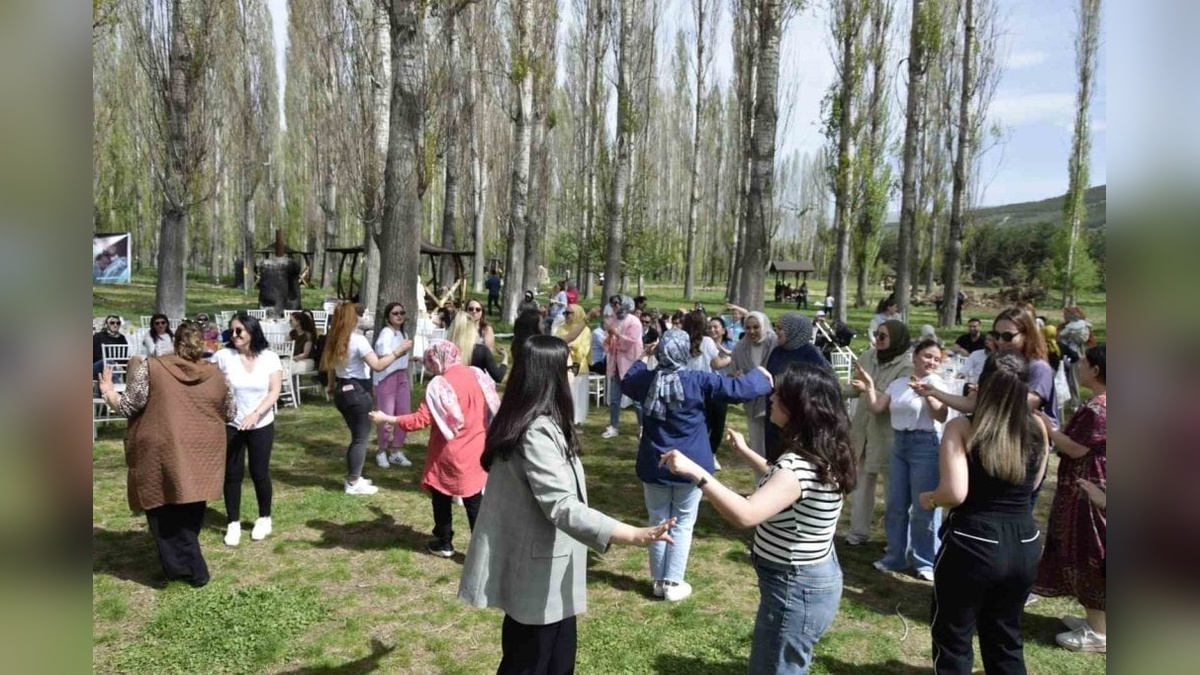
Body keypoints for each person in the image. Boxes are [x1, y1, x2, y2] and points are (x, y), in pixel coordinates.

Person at [458, 335, 675, 673]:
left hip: (549, 569)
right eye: (570, 367)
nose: (575, 373)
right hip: (537, 574)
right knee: (531, 662)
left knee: (555, 661)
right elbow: (562, 506)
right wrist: (633, 534)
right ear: (552, 375)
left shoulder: (539, 422)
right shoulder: (536, 431)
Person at [660, 361, 856, 674]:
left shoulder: (797, 467)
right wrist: (746, 452)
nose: (771, 399)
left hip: (795, 588)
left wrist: (696, 471)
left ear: (799, 408)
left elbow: (746, 514)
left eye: (778, 396)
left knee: (774, 668)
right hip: (808, 580)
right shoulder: (821, 452)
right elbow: (784, 487)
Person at [919, 351, 1049, 675]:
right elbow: (1034, 484)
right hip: (1024, 542)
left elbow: (955, 492)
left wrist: (930, 499)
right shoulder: (1037, 427)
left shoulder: (962, 427)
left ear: (982, 384)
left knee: (953, 639)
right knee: (1005, 638)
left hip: (972, 543)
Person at [621, 330, 774, 601]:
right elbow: (737, 390)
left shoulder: (646, 380)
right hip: (691, 466)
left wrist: (644, 356)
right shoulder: (698, 380)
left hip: (654, 463)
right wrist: (761, 375)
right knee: (682, 523)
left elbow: (628, 380)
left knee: (657, 520)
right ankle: (672, 582)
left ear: (660, 352)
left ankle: (658, 582)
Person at [97, 322, 236, 587]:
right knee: (191, 507)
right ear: (203, 344)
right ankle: (180, 568)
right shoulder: (219, 375)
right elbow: (229, 411)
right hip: (204, 449)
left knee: (163, 510)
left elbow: (128, 406)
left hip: (163, 449)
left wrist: (108, 392)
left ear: (175, 342)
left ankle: (193, 571)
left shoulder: (152, 367)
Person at [370, 341, 500, 557]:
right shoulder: (476, 374)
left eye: (431, 361)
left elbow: (419, 420)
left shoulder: (440, 385)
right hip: (477, 447)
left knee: (441, 494)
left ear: (438, 360)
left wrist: (386, 418)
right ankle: (484, 550)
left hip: (449, 451)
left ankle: (443, 541)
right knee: (474, 499)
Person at [852, 337, 949, 579]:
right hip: (899, 444)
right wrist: (870, 386)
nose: (931, 362)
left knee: (923, 506)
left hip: (925, 445)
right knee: (896, 505)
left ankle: (926, 561)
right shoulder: (899, 383)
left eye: (936, 359)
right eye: (927, 356)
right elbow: (877, 408)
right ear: (915, 356)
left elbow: (941, 416)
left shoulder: (937, 383)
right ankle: (895, 556)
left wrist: (928, 394)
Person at [1034, 344, 1107, 653]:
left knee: (1090, 552)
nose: (1079, 366)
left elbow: (1076, 448)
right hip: (1088, 486)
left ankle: (1100, 633)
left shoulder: (1099, 408)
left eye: (1084, 362)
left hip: (1089, 491)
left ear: (1097, 370)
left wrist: (1047, 429)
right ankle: (1097, 620)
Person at [321, 302, 412, 495]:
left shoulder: (335, 338)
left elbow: (329, 365)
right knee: (360, 439)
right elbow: (378, 365)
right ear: (351, 318)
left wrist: (330, 385)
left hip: (341, 390)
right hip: (356, 391)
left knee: (356, 438)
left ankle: (355, 475)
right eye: (358, 314)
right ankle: (353, 482)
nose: (362, 317)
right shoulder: (358, 340)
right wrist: (398, 352)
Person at [212, 313, 283, 546]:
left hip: (260, 422)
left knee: (259, 472)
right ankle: (233, 522)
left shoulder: (269, 358)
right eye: (231, 331)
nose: (234, 335)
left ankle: (264, 517)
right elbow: (206, 382)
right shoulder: (223, 357)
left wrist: (256, 414)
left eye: (239, 331)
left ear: (252, 331)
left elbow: (274, 391)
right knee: (232, 474)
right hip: (232, 423)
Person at [844, 320, 913, 546]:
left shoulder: (906, 366)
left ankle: (896, 541)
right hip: (863, 430)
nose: (878, 340)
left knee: (895, 493)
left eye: (883, 336)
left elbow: (897, 400)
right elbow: (855, 387)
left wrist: (870, 389)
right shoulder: (868, 356)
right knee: (861, 486)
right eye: (876, 334)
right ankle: (858, 533)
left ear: (896, 338)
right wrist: (828, 386)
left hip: (888, 436)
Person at [765, 313, 830, 459]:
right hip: (774, 414)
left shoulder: (811, 354)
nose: (777, 331)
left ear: (794, 330)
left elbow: (826, 382)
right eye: (776, 327)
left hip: (798, 418)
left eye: (781, 328)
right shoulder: (777, 352)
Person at [730, 311, 777, 461]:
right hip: (753, 404)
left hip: (776, 402)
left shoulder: (775, 343)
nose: (751, 331)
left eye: (756, 327)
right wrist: (738, 377)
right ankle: (760, 482)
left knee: (777, 446)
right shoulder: (740, 347)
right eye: (748, 328)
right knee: (757, 447)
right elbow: (732, 373)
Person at [373, 302, 415, 469]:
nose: (399, 315)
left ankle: (396, 451)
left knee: (404, 415)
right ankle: (381, 451)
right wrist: (401, 350)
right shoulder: (386, 333)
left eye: (401, 313)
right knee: (386, 416)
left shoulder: (401, 333)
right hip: (387, 378)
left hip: (401, 376)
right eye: (395, 313)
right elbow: (383, 355)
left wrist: (411, 358)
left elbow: (398, 358)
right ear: (387, 317)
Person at [601, 295, 642, 439]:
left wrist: (616, 334)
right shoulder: (613, 320)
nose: (614, 307)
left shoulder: (634, 321)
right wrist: (608, 338)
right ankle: (613, 426)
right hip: (616, 364)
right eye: (612, 304)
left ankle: (642, 427)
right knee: (614, 398)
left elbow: (630, 343)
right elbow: (607, 344)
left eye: (617, 303)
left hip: (631, 364)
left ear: (624, 304)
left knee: (637, 400)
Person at [556, 304, 592, 427]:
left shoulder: (585, 330)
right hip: (563, 366)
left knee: (578, 396)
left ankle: (577, 421)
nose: (566, 316)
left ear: (576, 314)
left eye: (569, 313)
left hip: (579, 368)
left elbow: (584, 351)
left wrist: (574, 347)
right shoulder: (560, 328)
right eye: (564, 313)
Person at [450, 311, 508, 384]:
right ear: (472, 330)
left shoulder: (446, 351)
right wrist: (505, 358)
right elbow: (498, 376)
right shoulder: (482, 351)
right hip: (475, 392)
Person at [288, 310, 318, 375]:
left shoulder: (307, 335)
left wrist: (292, 359)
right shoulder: (292, 333)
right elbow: (288, 348)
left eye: (291, 320)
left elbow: (305, 354)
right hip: (294, 360)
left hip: (306, 361)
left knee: (289, 368)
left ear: (298, 321)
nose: (289, 322)